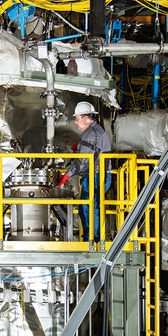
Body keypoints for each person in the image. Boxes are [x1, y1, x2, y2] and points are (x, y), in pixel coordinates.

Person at [57, 101, 112, 240]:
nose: (76, 122)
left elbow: (83, 161)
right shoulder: (94, 131)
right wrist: (80, 146)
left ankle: (92, 239)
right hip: (97, 174)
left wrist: (66, 175)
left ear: (86, 118)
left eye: (77, 118)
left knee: (89, 207)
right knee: (90, 206)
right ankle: (93, 236)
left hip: (96, 175)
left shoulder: (90, 133)